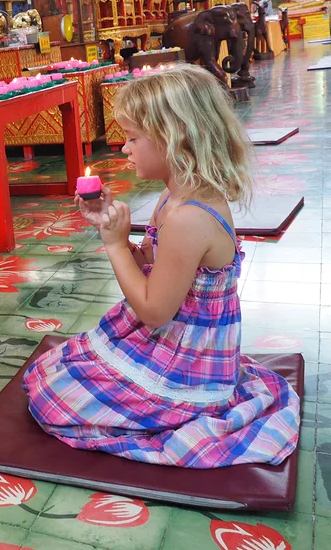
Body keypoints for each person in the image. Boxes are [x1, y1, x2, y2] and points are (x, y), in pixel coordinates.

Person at [23, 64, 300, 468]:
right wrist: (115, 229)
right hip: (174, 337)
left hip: (187, 360)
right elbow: (155, 264)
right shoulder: (173, 198)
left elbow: (154, 310)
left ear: (176, 139)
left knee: (55, 398)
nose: (123, 148)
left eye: (133, 138)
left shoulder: (189, 217)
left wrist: (116, 246)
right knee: (54, 369)